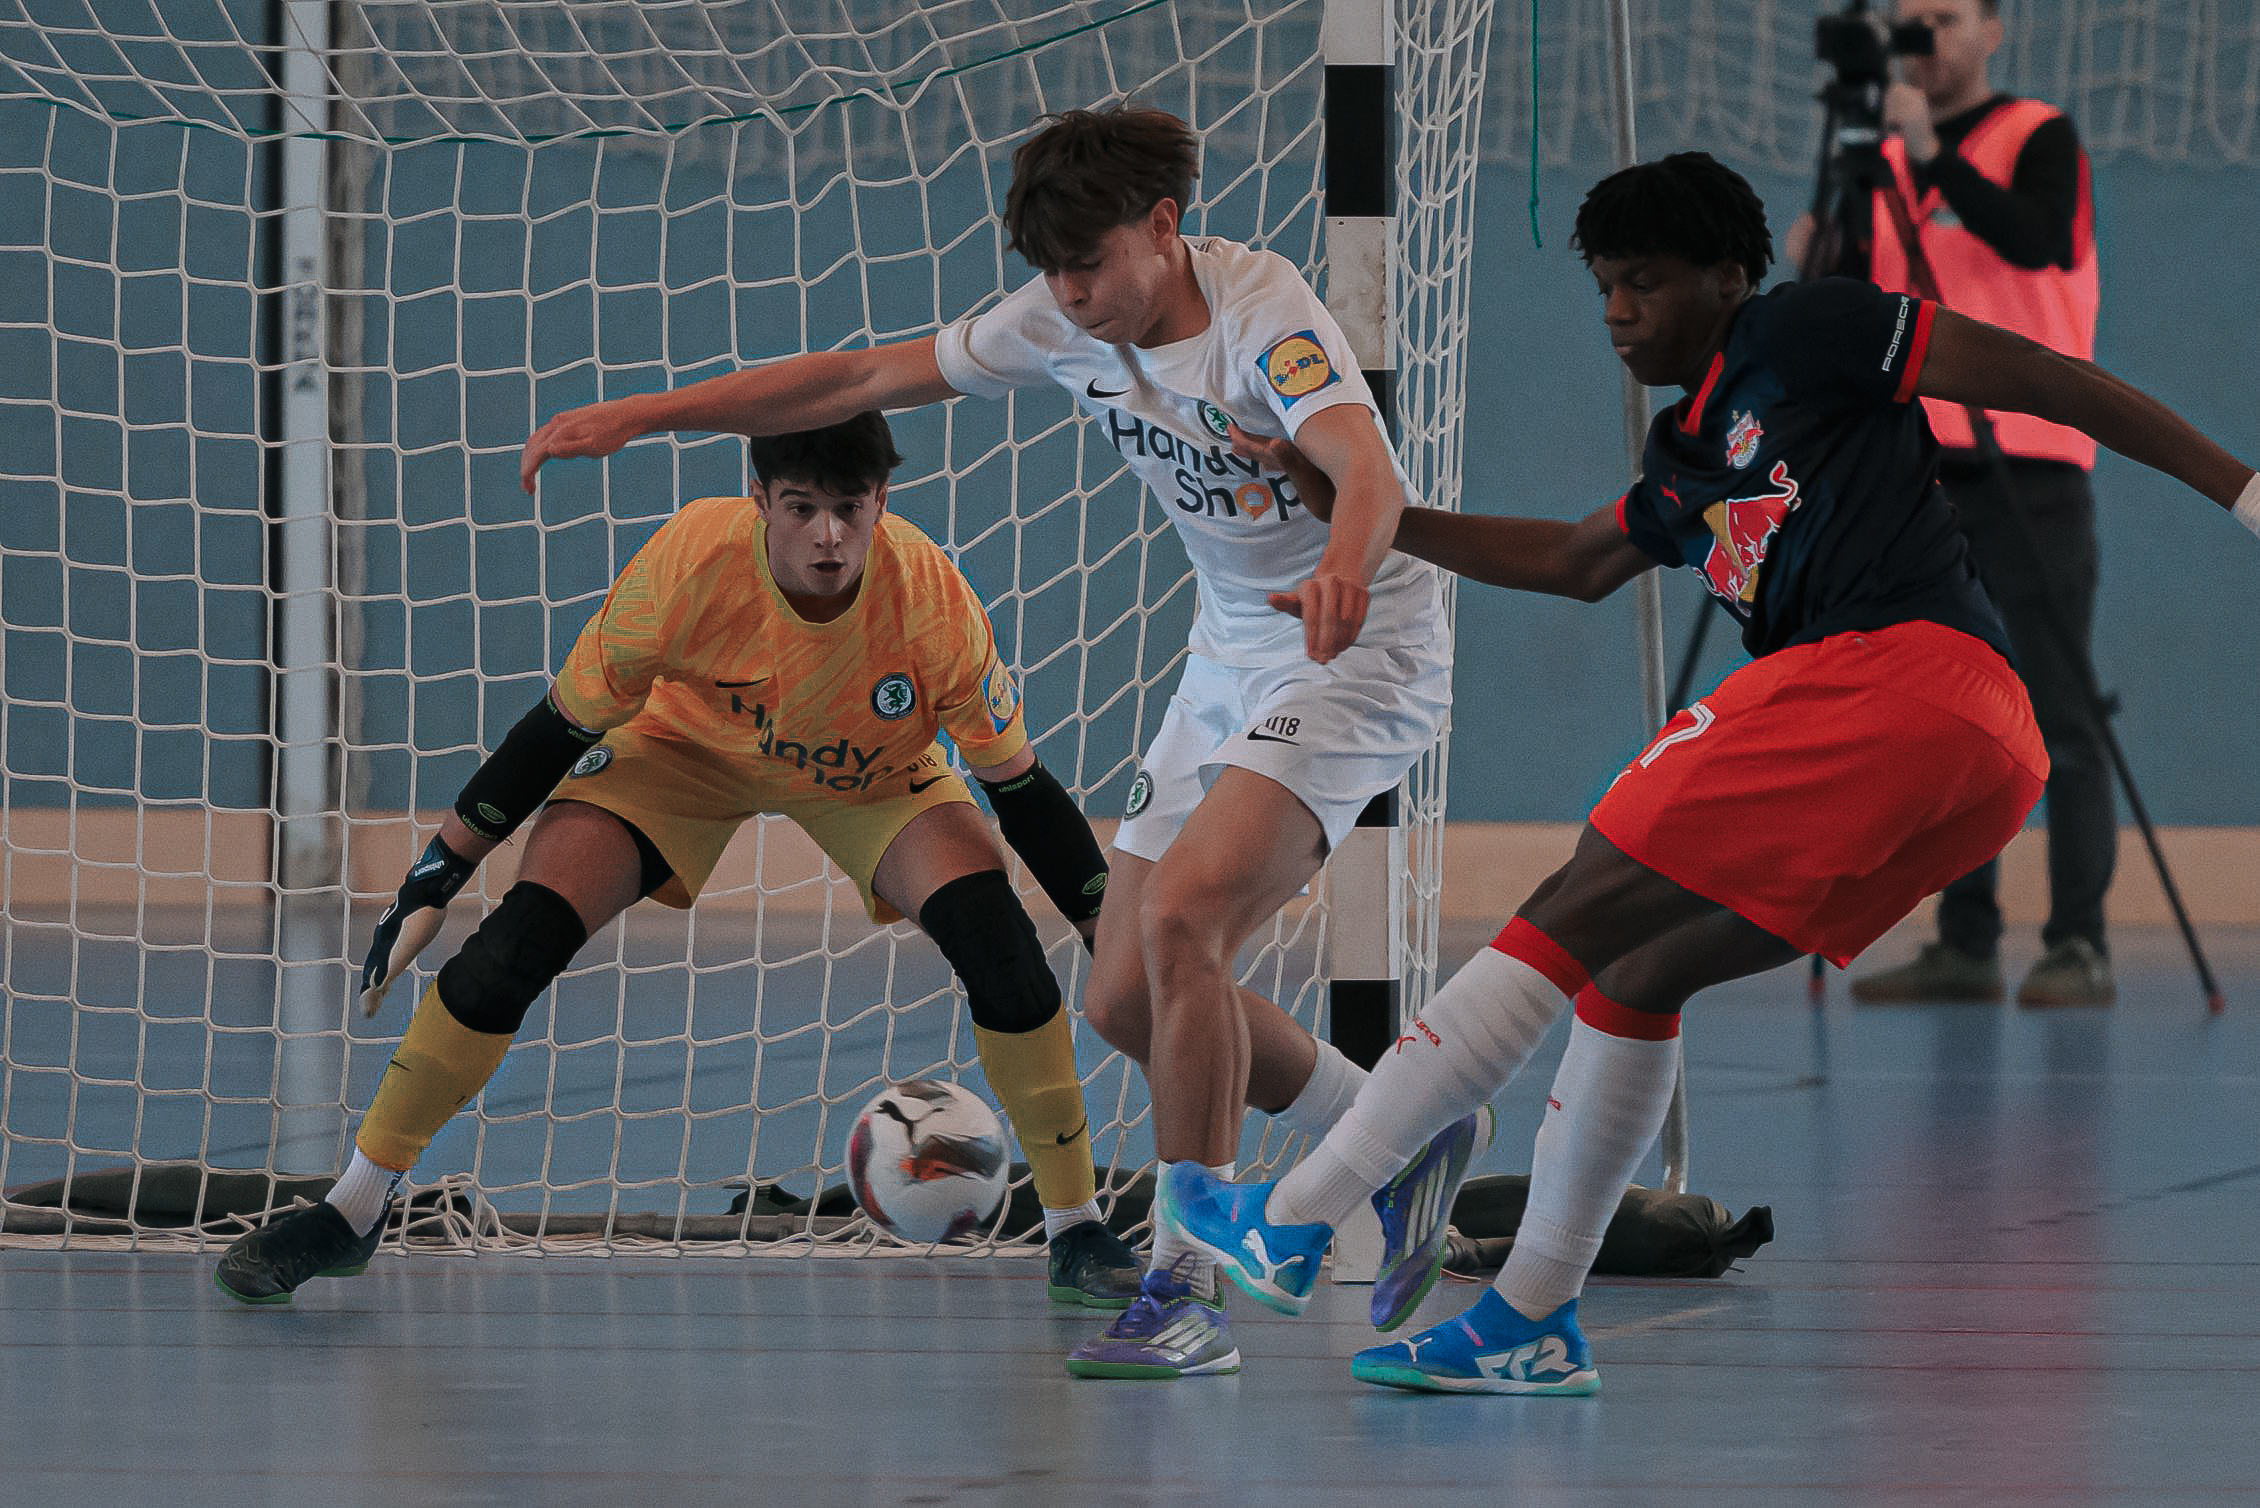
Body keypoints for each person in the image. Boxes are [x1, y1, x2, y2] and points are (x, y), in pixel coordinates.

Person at [1157, 152, 2258, 1394]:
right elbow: (1577, 558)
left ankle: (1300, 1211)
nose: (1620, 312)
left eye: (1646, 282)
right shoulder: (1688, 455)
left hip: (1902, 674)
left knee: (1576, 898)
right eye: (1605, 289)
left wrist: (2241, 488)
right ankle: (1529, 1315)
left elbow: (2043, 378)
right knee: (1638, 968)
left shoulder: (1808, 330)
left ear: (1729, 278)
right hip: (1969, 760)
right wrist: (1366, 508)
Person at [515, 106, 1472, 1381]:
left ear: (1164, 227)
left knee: (1186, 922)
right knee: (1126, 989)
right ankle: (1397, 1131)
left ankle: (1187, 1284)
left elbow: (1366, 470)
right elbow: (854, 379)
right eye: (1053, 271)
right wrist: (647, 412)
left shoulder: (1267, 318)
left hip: (1352, 644)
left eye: (1093, 264)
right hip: (1231, 645)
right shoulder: (1060, 318)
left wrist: (1346, 570)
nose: (1072, 295)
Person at [213, 413, 1148, 1309]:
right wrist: (442, 865)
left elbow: (1020, 789)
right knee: (509, 949)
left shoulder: (932, 599)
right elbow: (559, 727)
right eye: (799, 507)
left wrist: (1106, 928)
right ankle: (353, 1209)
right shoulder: (690, 561)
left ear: (882, 498)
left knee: (1005, 953)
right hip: (681, 755)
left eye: (850, 508)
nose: (828, 535)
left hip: (871, 773)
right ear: (758, 498)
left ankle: (1074, 1227)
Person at [1795, 0, 2118, 1006]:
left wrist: (1929, 153)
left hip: (2030, 458)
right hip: (1922, 462)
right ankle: (1964, 939)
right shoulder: (1881, 165)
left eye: (1942, 17)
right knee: (1946, 708)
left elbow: (2033, 245)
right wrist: (1826, 236)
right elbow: (1842, 306)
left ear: (1990, 30)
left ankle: (2078, 942)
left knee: (2056, 705)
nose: (1923, 38)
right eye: (1908, 22)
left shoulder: (2038, 136)